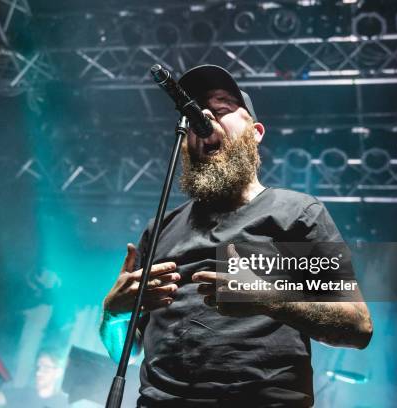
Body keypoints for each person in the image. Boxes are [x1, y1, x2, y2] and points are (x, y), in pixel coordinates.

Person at [100, 65, 373, 407]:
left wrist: (267, 300)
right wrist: (113, 313)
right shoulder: (159, 230)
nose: (205, 119)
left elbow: (358, 327)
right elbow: (126, 350)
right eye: (195, 114)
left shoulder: (296, 213)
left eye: (223, 109)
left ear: (256, 132)